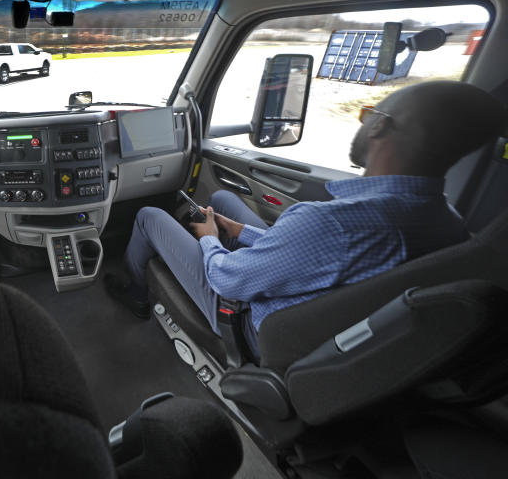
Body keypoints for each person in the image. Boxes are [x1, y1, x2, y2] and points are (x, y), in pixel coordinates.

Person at [106, 81, 507, 357]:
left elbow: (227, 278)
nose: (364, 120)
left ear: (381, 126)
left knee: (149, 215)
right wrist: (238, 231)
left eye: (368, 113)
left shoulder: (332, 224)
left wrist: (210, 239)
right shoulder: (447, 222)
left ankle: (138, 295)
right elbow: (315, 257)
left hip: (253, 321)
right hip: (323, 313)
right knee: (226, 198)